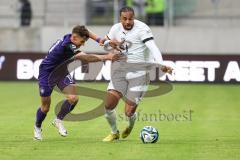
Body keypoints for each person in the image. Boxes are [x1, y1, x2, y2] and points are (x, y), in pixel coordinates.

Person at [34, 25, 121, 140]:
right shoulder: (67, 45)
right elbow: (86, 58)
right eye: (82, 42)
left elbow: (87, 32)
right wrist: (107, 57)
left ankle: (58, 120)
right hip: (47, 73)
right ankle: (37, 127)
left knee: (73, 98)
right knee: (45, 107)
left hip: (61, 72)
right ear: (74, 38)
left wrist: (101, 40)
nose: (83, 44)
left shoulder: (74, 36)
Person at [102, 6, 172, 142]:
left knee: (128, 112)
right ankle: (114, 132)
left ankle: (130, 125)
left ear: (134, 17)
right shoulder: (115, 28)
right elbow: (105, 44)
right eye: (125, 19)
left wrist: (161, 64)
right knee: (108, 105)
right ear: (120, 18)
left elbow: (153, 47)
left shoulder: (143, 29)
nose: (128, 22)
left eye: (130, 19)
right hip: (120, 71)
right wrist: (110, 44)